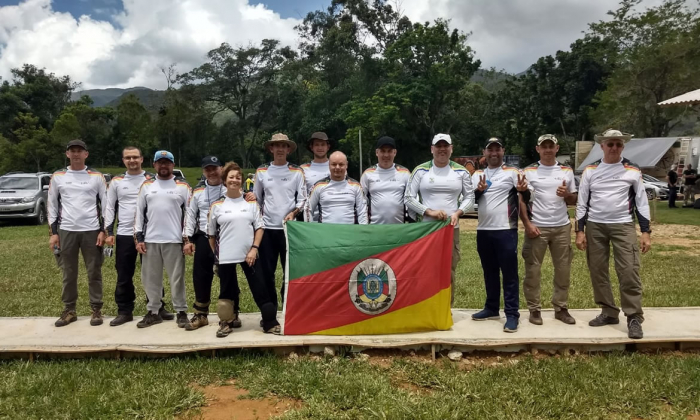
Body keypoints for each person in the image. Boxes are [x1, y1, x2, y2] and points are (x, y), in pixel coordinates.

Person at [575, 129, 651, 340]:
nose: (614, 148)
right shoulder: (591, 170)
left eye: (618, 144)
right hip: (595, 226)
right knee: (598, 270)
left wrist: (645, 232)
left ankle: (634, 316)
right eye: (610, 144)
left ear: (623, 146)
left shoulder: (631, 169)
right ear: (602, 146)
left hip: (623, 225)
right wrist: (579, 231)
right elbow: (582, 202)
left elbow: (641, 202)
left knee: (628, 270)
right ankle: (608, 311)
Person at [207, 162, 282, 337]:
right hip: (226, 256)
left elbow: (260, 228)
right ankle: (226, 322)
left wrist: (254, 248)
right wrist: (218, 255)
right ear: (225, 180)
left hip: (250, 254)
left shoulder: (251, 203)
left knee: (260, 287)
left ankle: (270, 322)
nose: (235, 180)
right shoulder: (217, 206)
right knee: (227, 291)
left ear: (242, 180)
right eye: (231, 177)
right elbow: (211, 235)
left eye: (238, 177)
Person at [103, 147, 174, 326]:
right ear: (123, 160)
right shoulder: (117, 181)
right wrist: (109, 232)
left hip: (149, 234)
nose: (132, 160)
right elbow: (110, 207)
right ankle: (125, 310)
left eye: (135, 157)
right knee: (124, 274)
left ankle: (157, 307)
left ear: (142, 159)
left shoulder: (151, 179)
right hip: (125, 234)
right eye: (128, 157)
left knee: (153, 273)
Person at [470, 137, 533, 333]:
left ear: (503, 151)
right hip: (483, 230)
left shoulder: (513, 172)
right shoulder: (477, 174)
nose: (494, 153)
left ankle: (512, 314)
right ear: (484, 152)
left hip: (506, 229)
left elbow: (526, 195)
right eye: (490, 150)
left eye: (497, 150)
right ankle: (491, 308)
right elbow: (471, 201)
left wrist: (524, 191)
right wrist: (479, 192)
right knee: (489, 272)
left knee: (509, 273)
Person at [405, 133, 474, 305]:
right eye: (438, 146)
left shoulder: (460, 171)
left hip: (451, 228)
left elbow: (470, 198)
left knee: (448, 270)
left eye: (445, 146)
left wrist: (458, 213)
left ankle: (445, 308)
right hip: (426, 229)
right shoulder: (420, 171)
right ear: (432, 149)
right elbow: (408, 198)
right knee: (425, 269)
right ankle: (426, 307)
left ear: (451, 149)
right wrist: (428, 211)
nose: (442, 149)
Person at [48, 139, 107, 327]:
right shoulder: (58, 176)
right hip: (67, 230)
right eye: (72, 151)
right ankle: (69, 310)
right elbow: (52, 205)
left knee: (94, 272)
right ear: (67, 154)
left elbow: (105, 206)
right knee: (68, 272)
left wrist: (103, 230)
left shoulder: (96, 176)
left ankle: (96, 309)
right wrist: (53, 233)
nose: (75, 154)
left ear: (86, 154)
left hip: (91, 230)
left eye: (79, 151)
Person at [520, 135, 577, 326]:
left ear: (557, 148)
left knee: (563, 269)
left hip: (561, 226)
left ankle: (561, 308)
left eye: (550, 146)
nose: (547, 150)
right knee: (533, 270)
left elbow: (574, 200)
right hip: (537, 226)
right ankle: (534, 309)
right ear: (537, 149)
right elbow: (521, 199)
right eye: (543, 146)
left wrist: (567, 194)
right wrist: (527, 224)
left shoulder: (566, 171)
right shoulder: (528, 171)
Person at [134, 150, 192, 328]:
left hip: (174, 239)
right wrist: (139, 237)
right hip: (151, 239)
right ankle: (153, 311)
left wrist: (187, 238)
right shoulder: (147, 186)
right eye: (160, 162)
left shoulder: (182, 186)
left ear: (173, 165)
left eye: (167, 162)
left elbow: (189, 214)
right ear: (154, 165)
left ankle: (181, 311)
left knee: (177, 278)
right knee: (151, 278)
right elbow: (139, 212)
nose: (164, 165)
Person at [253, 133, 307, 308]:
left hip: (289, 228)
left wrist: (294, 213)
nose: (280, 149)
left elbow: (303, 199)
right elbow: (257, 199)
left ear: (288, 149)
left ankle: (287, 308)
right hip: (267, 229)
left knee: (289, 271)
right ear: (271, 149)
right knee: (267, 272)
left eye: (284, 146)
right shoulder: (261, 171)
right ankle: (270, 310)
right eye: (277, 146)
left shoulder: (297, 171)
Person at [182, 156, 227, 331]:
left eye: (215, 168)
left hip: (224, 238)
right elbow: (190, 215)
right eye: (208, 169)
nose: (212, 172)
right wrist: (188, 239)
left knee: (227, 276)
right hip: (202, 237)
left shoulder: (229, 189)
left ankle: (231, 314)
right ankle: (201, 314)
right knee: (201, 276)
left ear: (221, 169)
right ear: (203, 171)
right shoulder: (198, 191)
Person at [307, 151, 368, 224]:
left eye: (341, 164)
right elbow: (308, 209)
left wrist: (363, 231)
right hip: (325, 232)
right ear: (329, 165)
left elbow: (362, 212)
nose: (337, 167)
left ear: (346, 165)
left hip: (349, 232)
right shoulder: (319, 185)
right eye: (334, 164)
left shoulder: (356, 186)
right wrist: (309, 230)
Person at [360, 136, 411, 224]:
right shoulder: (367, 174)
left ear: (395, 152)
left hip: (400, 228)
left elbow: (411, 200)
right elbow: (361, 202)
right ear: (377, 152)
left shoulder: (405, 173)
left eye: (389, 151)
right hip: (375, 228)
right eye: (383, 151)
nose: (386, 155)